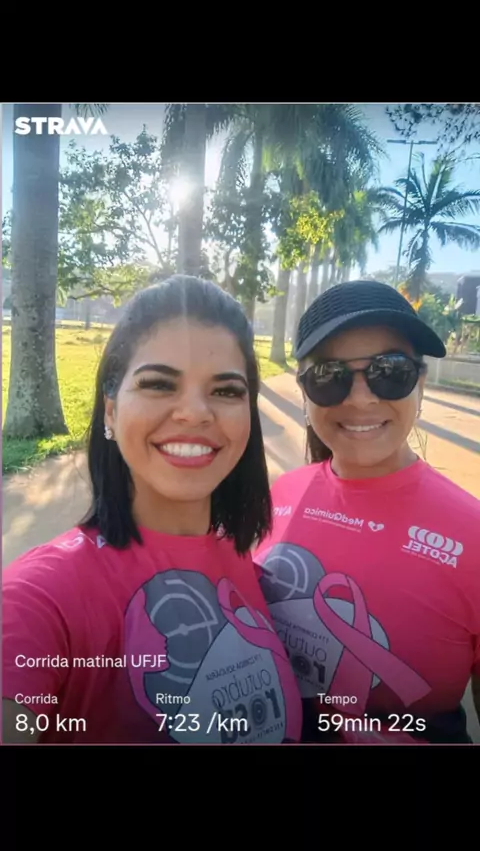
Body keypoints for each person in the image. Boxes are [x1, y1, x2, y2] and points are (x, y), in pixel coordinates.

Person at [2, 275, 302, 745]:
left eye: (226, 391)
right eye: (159, 384)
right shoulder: (40, 597)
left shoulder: (247, 565)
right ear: (110, 410)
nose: (195, 413)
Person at [253, 280, 480, 744]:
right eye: (329, 375)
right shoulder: (279, 496)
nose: (359, 399)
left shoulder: (473, 533)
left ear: (420, 382)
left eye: (389, 371)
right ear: (304, 392)